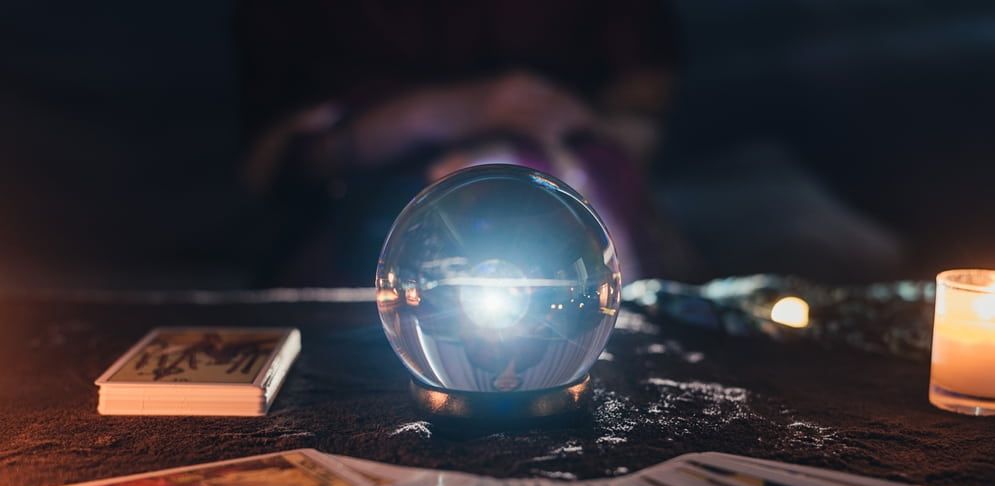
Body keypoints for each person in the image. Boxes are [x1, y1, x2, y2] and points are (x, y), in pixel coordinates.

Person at [236, 0, 702, 285]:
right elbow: (265, 167)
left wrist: (529, 153)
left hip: (564, 194)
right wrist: (421, 117)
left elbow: (643, 115)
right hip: (364, 225)